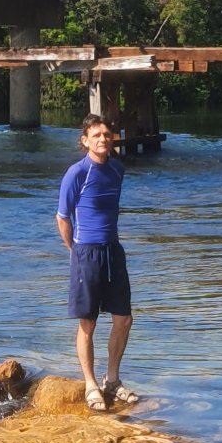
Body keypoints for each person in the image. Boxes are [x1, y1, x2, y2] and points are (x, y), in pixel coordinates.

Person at [56, 115, 136, 413]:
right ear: (85, 141)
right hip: (86, 252)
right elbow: (62, 217)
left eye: (107, 134)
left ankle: (112, 380)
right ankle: (91, 384)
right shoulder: (77, 173)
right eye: (97, 135)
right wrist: (74, 250)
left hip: (113, 250)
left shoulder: (117, 169)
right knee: (88, 322)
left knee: (123, 319)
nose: (103, 138)